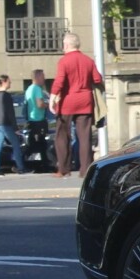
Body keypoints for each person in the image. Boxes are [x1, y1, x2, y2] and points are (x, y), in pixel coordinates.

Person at [51, 31, 102, 178]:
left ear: (66, 45)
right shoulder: (88, 61)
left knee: (62, 135)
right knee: (84, 136)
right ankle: (85, 169)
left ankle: (64, 168)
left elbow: (59, 81)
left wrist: (53, 97)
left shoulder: (64, 61)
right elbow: (97, 79)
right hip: (85, 101)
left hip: (67, 101)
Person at [0, 74, 26, 175]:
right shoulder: (6, 96)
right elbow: (10, 112)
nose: (10, 83)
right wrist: (15, 127)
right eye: (9, 81)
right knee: (16, 145)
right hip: (6, 124)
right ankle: (20, 167)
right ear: (4, 82)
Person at [24, 69, 50, 173]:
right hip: (39, 119)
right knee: (41, 144)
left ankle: (37, 165)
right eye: (43, 77)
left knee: (35, 143)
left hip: (31, 120)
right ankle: (44, 165)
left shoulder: (29, 89)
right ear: (38, 77)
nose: (44, 79)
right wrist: (47, 105)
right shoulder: (37, 89)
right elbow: (39, 104)